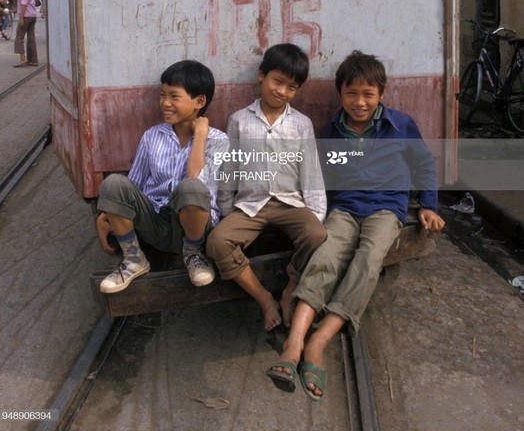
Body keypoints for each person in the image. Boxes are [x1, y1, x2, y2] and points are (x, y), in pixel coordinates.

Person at [266, 50, 445, 400]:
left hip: (385, 209)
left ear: (381, 94)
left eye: (368, 94)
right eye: (351, 94)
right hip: (345, 208)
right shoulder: (332, 129)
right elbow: (322, 176)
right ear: (340, 94)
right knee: (326, 256)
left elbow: (424, 163)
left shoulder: (401, 124)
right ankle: (295, 342)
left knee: (368, 260)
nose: (359, 102)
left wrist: (428, 205)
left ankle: (319, 340)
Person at [206, 43, 327, 331]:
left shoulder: (301, 124)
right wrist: (225, 209)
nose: (282, 91)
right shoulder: (239, 120)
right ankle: (264, 299)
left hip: (290, 203)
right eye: (277, 81)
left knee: (317, 235)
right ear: (261, 76)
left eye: (291, 87)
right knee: (217, 242)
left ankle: (289, 290)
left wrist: (316, 214)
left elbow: (310, 172)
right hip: (250, 205)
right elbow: (229, 168)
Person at [95, 60, 229, 293]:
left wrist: (200, 136)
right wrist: (107, 212)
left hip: (193, 226)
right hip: (154, 221)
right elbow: (132, 186)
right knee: (114, 183)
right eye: (162, 95)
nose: (165, 103)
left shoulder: (217, 140)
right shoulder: (151, 136)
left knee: (191, 188)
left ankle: (193, 255)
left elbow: (195, 181)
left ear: (199, 102)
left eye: (174, 97)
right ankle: (134, 259)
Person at [9, 0, 38, 67]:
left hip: (26, 16)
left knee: (19, 38)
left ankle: (23, 60)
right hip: (32, 16)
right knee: (31, 38)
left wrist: (21, 17)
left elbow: (24, 4)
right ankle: (33, 60)